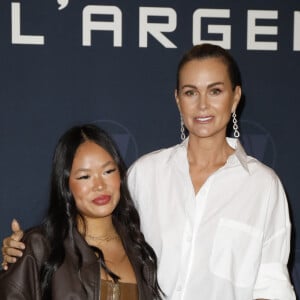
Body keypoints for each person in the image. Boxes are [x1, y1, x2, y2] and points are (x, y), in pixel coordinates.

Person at [2, 44, 296, 300]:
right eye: (191, 92)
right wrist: (29, 248)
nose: (203, 105)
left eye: (215, 91)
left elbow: (272, 287)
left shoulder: (262, 186)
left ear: (235, 97)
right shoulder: (146, 174)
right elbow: (93, 232)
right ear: (178, 100)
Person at [0, 124, 163, 299]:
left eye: (108, 171)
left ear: (120, 175)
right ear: (66, 185)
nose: (100, 185)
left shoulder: (139, 250)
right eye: (85, 176)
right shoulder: (41, 246)